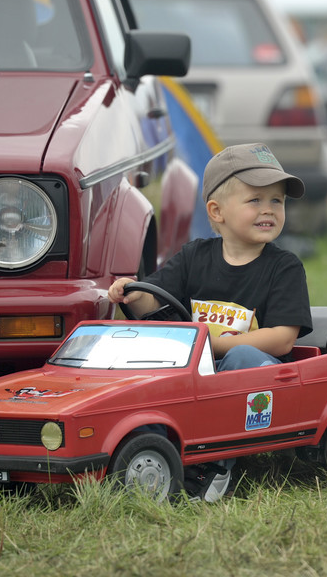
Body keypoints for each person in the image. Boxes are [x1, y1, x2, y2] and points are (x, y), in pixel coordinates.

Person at [107, 142, 313, 501]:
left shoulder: (284, 267)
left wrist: (211, 344)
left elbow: (282, 340)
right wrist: (130, 290)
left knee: (240, 359)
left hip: (260, 383)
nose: (269, 210)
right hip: (201, 374)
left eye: (276, 201)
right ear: (217, 212)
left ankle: (216, 464)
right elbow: (152, 299)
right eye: (255, 200)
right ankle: (150, 447)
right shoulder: (194, 257)